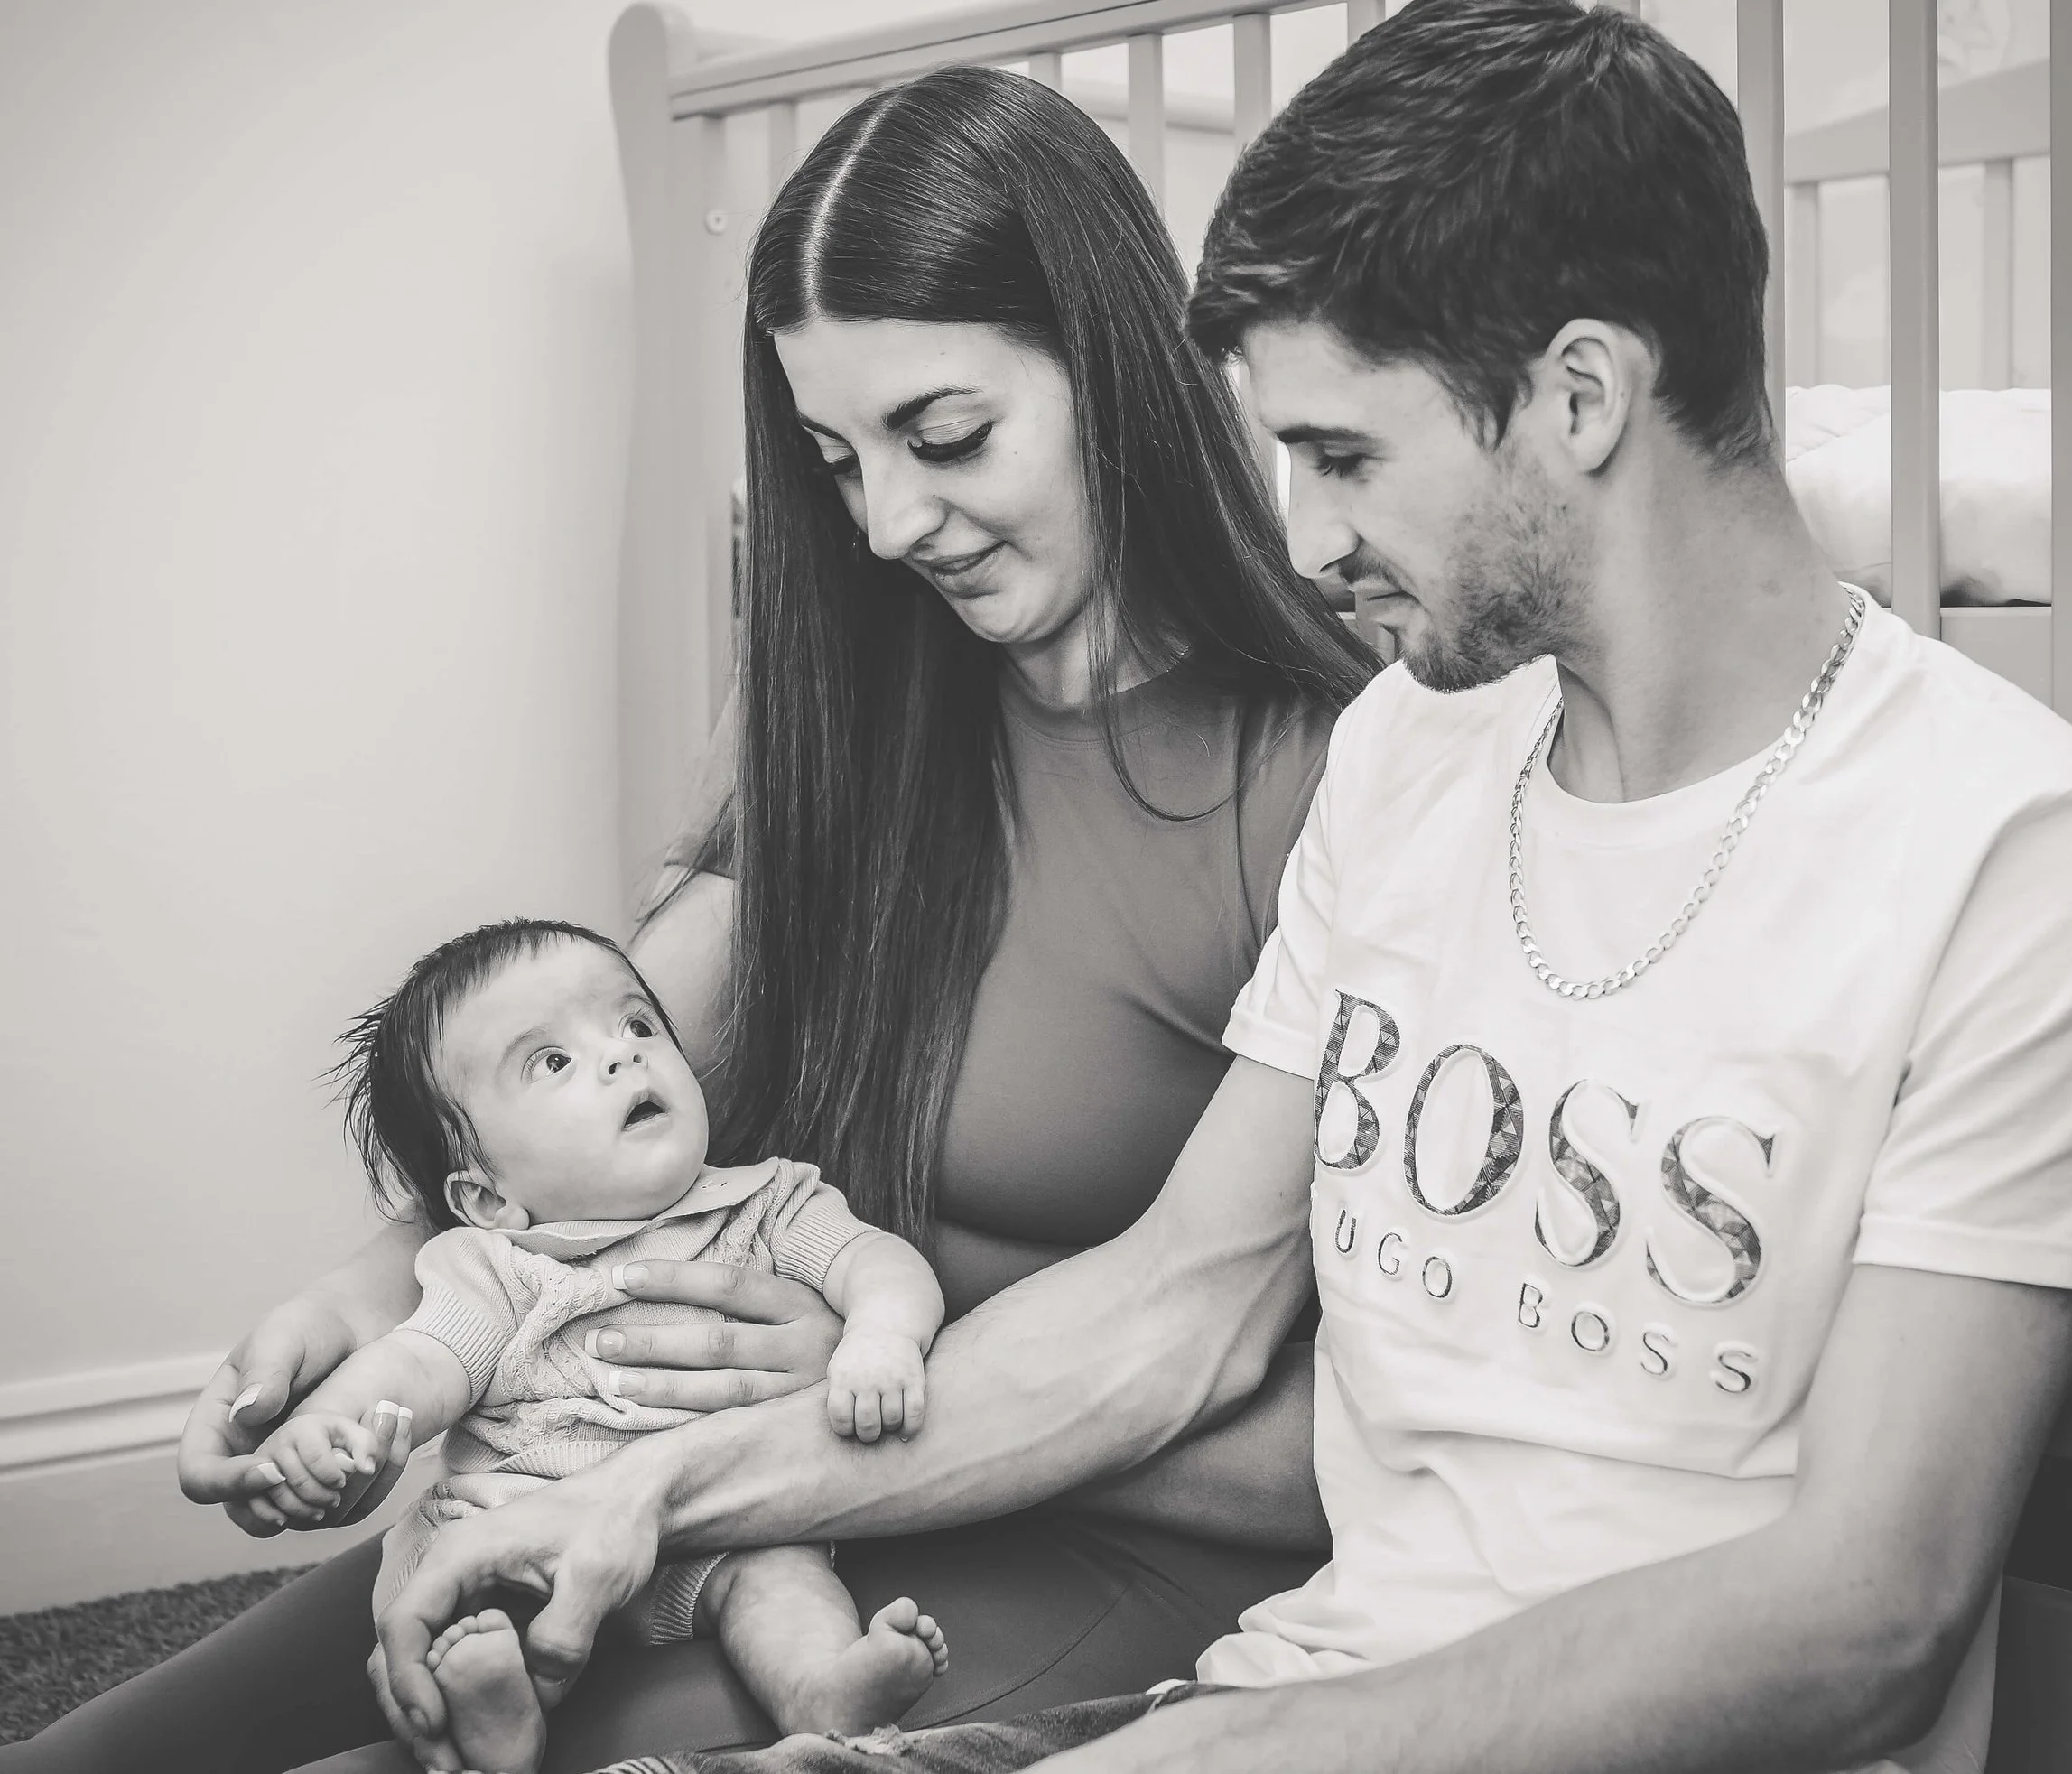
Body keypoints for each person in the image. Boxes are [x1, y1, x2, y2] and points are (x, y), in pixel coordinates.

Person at [360, 4, 2072, 1772]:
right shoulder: (1417, 750)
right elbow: (1172, 1302)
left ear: (1574, 394)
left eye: (1340, 455)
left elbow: (1862, 1617)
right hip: (1271, 1692)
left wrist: (1214, 1744)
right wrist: (647, 1486)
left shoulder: (2027, 859)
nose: (1304, 540)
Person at [4, 63, 1367, 1774]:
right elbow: (621, 1043)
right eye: (832, 458)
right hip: (714, 1499)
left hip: (1078, 1547)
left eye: (945, 439)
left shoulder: (1338, 775)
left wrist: (860, 1382)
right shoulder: (865, 714)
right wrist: (368, 1302)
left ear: (1115, 369)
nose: (884, 525)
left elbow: (1350, 1427)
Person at [234, 917, 949, 1774]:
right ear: (487, 1196)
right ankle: (490, 1709)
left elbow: (878, 1261)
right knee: (435, 1570)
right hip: (513, 1519)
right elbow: (423, 1360)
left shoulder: (768, 1203)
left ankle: (824, 1685)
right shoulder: (496, 1264)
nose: (623, 1056)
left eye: (637, 1025)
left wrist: (880, 1337)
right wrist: (336, 1427)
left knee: (782, 1575)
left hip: (719, 1522)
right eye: (552, 1062)